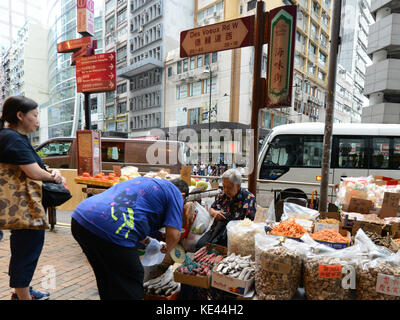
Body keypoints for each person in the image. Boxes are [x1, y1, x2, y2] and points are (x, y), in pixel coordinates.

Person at [71, 177, 189, 300]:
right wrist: (167, 249)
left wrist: (148, 241)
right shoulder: (175, 193)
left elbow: (133, 214)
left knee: (107, 276)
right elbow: (174, 235)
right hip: (110, 229)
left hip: (81, 219)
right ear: (183, 195)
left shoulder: (148, 182)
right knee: (133, 276)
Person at [0, 95, 65, 300]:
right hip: (24, 205)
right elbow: (34, 173)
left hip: (16, 203)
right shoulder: (13, 138)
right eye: (35, 115)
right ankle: (23, 296)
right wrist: (53, 177)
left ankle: (22, 291)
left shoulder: (9, 136)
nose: (38, 120)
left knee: (23, 248)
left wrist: (48, 172)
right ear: (20, 116)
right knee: (27, 249)